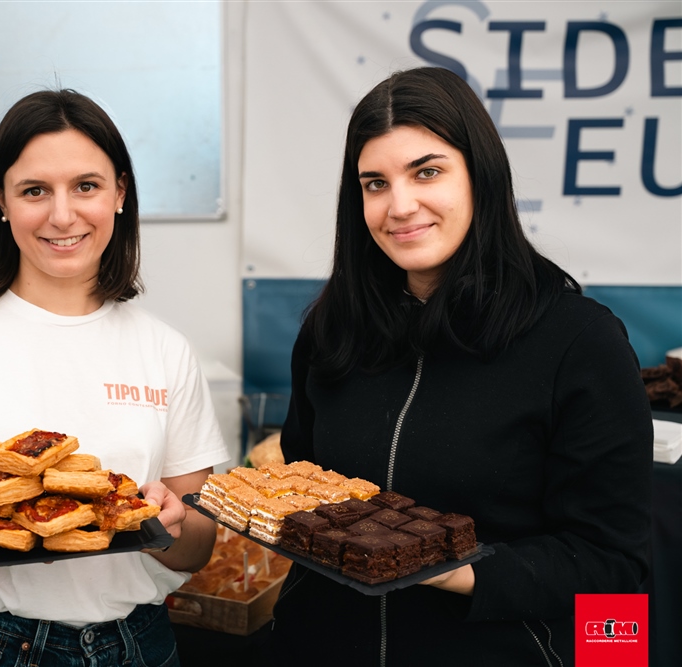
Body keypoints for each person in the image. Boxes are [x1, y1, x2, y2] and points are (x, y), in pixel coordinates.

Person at [268, 67, 652, 666]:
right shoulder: (330, 333)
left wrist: (453, 569)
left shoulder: (579, 340)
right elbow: (303, 494)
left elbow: (613, 561)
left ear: (480, 175)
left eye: (427, 172)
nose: (400, 206)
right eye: (375, 183)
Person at [0, 89, 230, 667]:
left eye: (86, 186)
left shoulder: (165, 350)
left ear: (120, 193)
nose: (62, 216)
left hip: (140, 646)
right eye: (35, 190)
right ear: (2, 200)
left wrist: (170, 524)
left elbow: (197, 550)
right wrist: (5, 519)